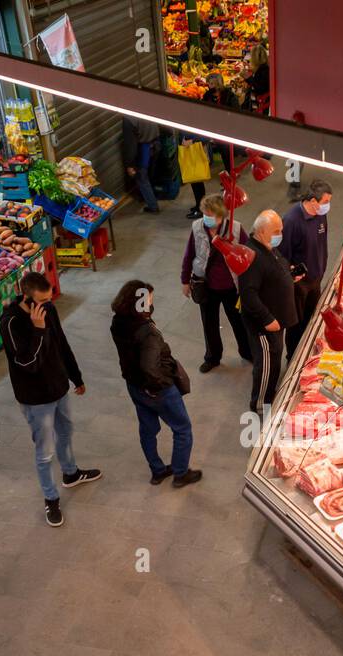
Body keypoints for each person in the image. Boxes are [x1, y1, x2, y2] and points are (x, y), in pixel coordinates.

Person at [1, 272, 101, 527]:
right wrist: (38, 331)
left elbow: (60, 344)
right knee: (44, 452)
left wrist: (75, 376)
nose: (47, 305)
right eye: (42, 300)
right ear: (26, 297)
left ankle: (71, 473)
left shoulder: (49, 310)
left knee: (66, 431)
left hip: (58, 388)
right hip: (35, 398)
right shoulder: (11, 323)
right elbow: (28, 363)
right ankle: (51, 498)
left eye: (49, 299)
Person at [110, 280, 202, 488]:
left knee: (148, 429)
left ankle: (157, 470)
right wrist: (160, 385)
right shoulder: (146, 332)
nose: (151, 303)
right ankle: (180, 473)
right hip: (157, 390)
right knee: (182, 428)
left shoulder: (118, 321)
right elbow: (150, 367)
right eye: (148, 299)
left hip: (134, 386)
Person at [180, 193, 252, 373]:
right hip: (206, 285)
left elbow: (247, 255)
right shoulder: (197, 227)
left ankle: (247, 351)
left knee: (238, 322)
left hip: (231, 287)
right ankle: (212, 357)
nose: (206, 218)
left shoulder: (235, 229)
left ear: (221, 216)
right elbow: (189, 254)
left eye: (210, 214)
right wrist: (185, 280)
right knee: (209, 324)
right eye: (205, 213)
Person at [237, 209, 298, 414]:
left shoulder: (268, 246)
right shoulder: (251, 256)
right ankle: (260, 404)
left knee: (275, 357)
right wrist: (267, 319)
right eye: (276, 230)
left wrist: (289, 275)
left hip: (277, 319)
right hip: (264, 325)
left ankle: (271, 392)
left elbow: (275, 268)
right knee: (266, 364)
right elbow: (248, 295)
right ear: (261, 232)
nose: (280, 234)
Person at [280, 179, 333, 359]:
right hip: (299, 285)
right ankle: (293, 357)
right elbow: (282, 255)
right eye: (325, 202)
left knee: (311, 319)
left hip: (315, 279)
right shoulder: (291, 221)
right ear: (312, 201)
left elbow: (322, 242)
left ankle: (307, 355)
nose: (328, 206)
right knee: (296, 324)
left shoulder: (320, 214)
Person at [121, 115, 161, 214]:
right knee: (150, 174)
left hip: (144, 150)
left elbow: (130, 144)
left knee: (142, 178)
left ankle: (153, 206)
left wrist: (130, 164)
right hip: (156, 145)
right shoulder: (146, 107)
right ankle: (151, 197)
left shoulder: (129, 119)